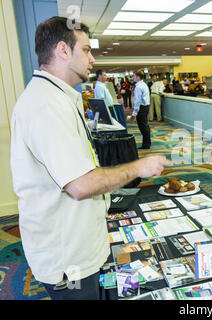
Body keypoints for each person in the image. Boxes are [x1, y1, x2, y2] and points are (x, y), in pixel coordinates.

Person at [9, 16, 173, 300]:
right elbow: (81, 184)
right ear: (63, 50)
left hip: (79, 244)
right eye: (85, 50)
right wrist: (139, 166)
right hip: (68, 258)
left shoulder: (57, 97)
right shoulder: (46, 105)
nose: (93, 58)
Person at [131, 70, 151, 149]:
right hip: (145, 107)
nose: (133, 77)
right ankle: (147, 143)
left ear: (138, 77)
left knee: (143, 126)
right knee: (145, 125)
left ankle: (146, 144)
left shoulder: (138, 87)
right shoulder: (144, 84)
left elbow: (137, 100)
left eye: (134, 76)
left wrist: (135, 112)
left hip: (141, 108)